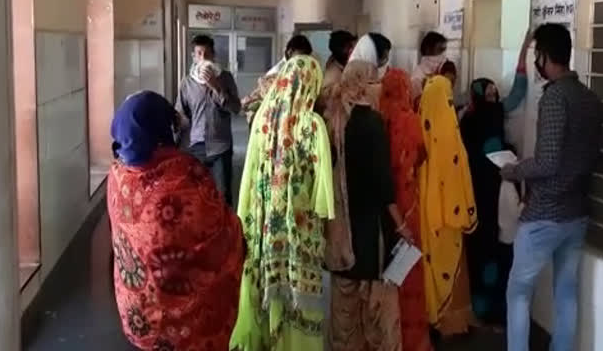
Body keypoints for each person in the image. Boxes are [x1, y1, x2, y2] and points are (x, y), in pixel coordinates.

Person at [107, 91, 245, 351]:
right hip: (190, 323)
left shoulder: (117, 176)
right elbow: (221, 232)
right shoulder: (184, 175)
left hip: (140, 311)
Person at [501, 23, 602, 351]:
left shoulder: (555, 98)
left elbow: (546, 163)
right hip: (577, 213)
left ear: (544, 56)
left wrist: (513, 171)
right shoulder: (589, 98)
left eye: (536, 55)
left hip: (545, 215)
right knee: (567, 291)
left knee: (518, 292)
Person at [231, 55, 334, 351]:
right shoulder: (312, 125)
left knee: (266, 285)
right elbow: (323, 190)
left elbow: (249, 173)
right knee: (301, 296)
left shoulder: (263, 118)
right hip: (301, 229)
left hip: (265, 226)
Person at [323, 53, 409, 351]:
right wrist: (401, 225)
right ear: (362, 85)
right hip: (370, 228)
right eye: (373, 82)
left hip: (340, 228)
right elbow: (383, 185)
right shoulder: (372, 123)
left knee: (344, 301)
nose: (377, 88)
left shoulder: (331, 118)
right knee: (375, 302)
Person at [459, 32, 531, 329]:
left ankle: (492, 309)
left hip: (495, 193)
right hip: (478, 194)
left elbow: (518, 91)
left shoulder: (474, 116)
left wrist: (525, 51)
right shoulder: (467, 119)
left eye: (494, 95)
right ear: (477, 97)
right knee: (482, 250)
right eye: (487, 95)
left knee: (496, 250)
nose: (493, 99)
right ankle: (482, 307)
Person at [418, 64, 478, 337]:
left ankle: (432, 318)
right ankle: (451, 323)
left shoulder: (419, 129)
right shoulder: (450, 134)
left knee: (430, 266)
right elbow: (459, 173)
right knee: (451, 265)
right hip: (449, 219)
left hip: (426, 218)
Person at [379, 68, 433, 351]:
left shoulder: (378, 119)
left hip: (384, 207)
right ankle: (410, 339)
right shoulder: (410, 120)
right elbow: (422, 155)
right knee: (409, 269)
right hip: (408, 204)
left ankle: (385, 336)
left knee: (385, 270)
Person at [176, 34, 241, 207]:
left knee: (223, 195)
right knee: (196, 196)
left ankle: (227, 231)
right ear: (193, 57)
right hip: (195, 147)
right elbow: (182, 115)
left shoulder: (225, 78)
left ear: (213, 55)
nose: (203, 58)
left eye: (207, 53)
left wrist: (215, 86)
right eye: (199, 54)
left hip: (220, 147)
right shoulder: (187, 83)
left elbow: (236, 108)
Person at [241, 34, 313, 127]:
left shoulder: (304, 70)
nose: (302, 61)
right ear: (290, 52)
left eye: (306, 57)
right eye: (300, 57)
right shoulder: (278, 72)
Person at [411, 31, 448, 104]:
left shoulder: (444, 71)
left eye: (444, 50)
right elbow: (416, 104)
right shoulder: (417, 76)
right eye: (440, 50)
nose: (443, 55)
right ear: (428, 50)